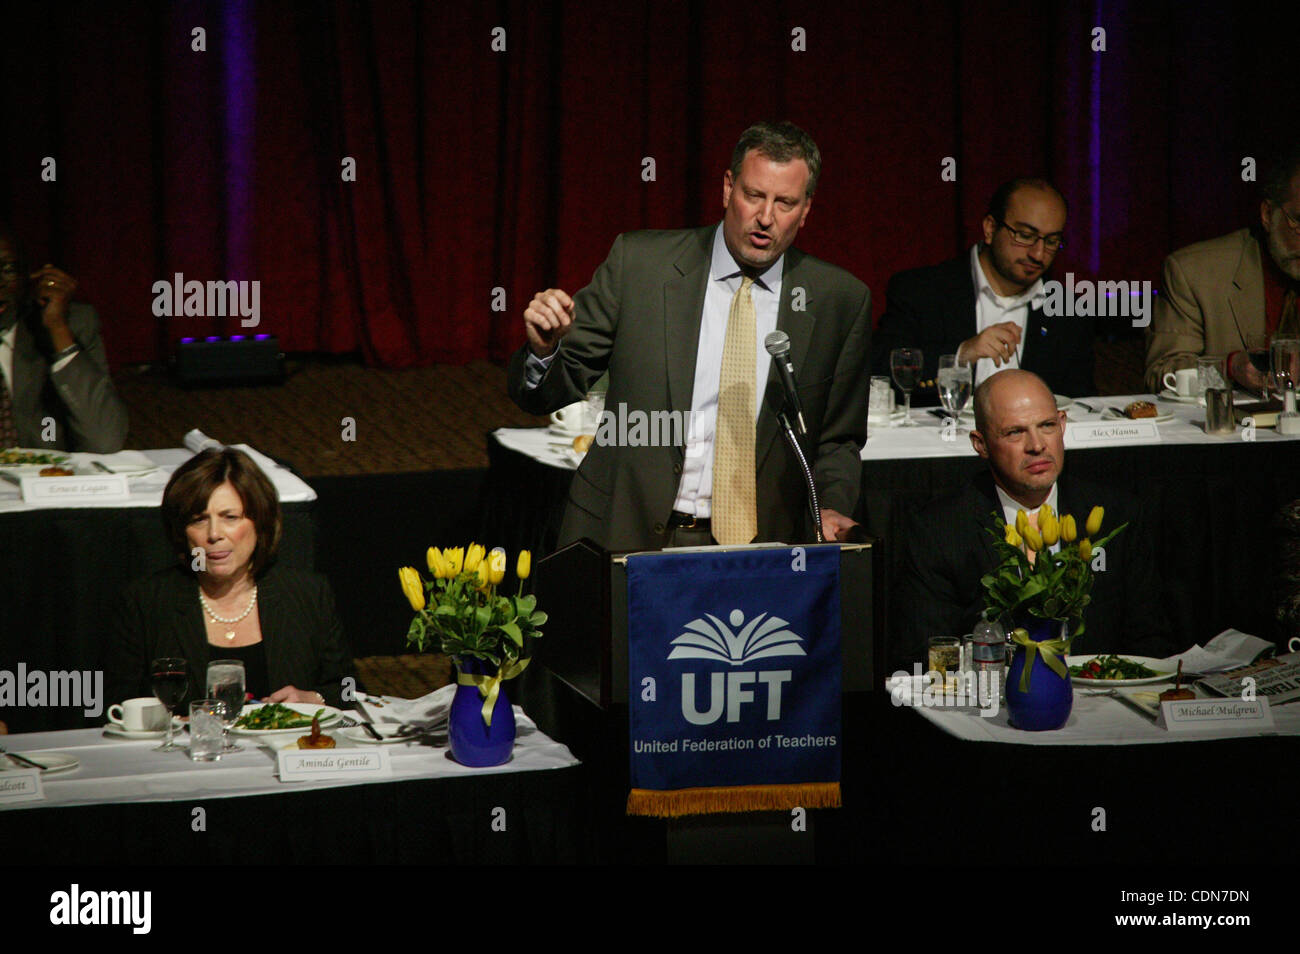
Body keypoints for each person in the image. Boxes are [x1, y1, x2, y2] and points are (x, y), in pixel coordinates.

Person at [506, 121, 871, 551]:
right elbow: (544, 394)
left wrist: (830, 506)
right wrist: (545, 351)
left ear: (806, 209)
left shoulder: (838, 300)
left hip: (759, 548)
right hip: (624, 534)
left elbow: (838, 439)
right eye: (754, 195)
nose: (766, 217)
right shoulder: (640, 266)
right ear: (727, 188)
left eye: (784, 202)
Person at [891, 370, 1172, 667]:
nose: (1037, 445)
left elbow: (1152, 641)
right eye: (1015, 432)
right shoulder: (940, 529)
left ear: (1063, 425)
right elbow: (930, 653)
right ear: (981, 443)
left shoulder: (1115, 514)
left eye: (1047, 426)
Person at [107, 447, 355, 709]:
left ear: (260, 522)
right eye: (199, 520)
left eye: (230, 517)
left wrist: (314, 698)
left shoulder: (307, 593)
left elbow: (349, 691)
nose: (214, 534)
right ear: (182, 532)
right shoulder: (146, 602)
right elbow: (114, 705)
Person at [871, 178, 1093, 401]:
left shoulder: (1068, 310)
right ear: (990, 228)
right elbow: (880, 373)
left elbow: (1080, 400)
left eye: (1052, 241)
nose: (1038, 254)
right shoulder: (921, 290)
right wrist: (960, 355)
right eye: (1025, 236)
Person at [1145, 142, 1300, 393]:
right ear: (1268, 214)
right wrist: (1230, 368)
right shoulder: (1193, 271)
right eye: (1299, 223)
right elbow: (1163, 372)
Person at [0, 224, 128, 452]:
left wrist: (59, 332)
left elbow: (105, 440)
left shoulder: (69, 323)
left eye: (8, 269)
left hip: (43, 478)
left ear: (30, 276)